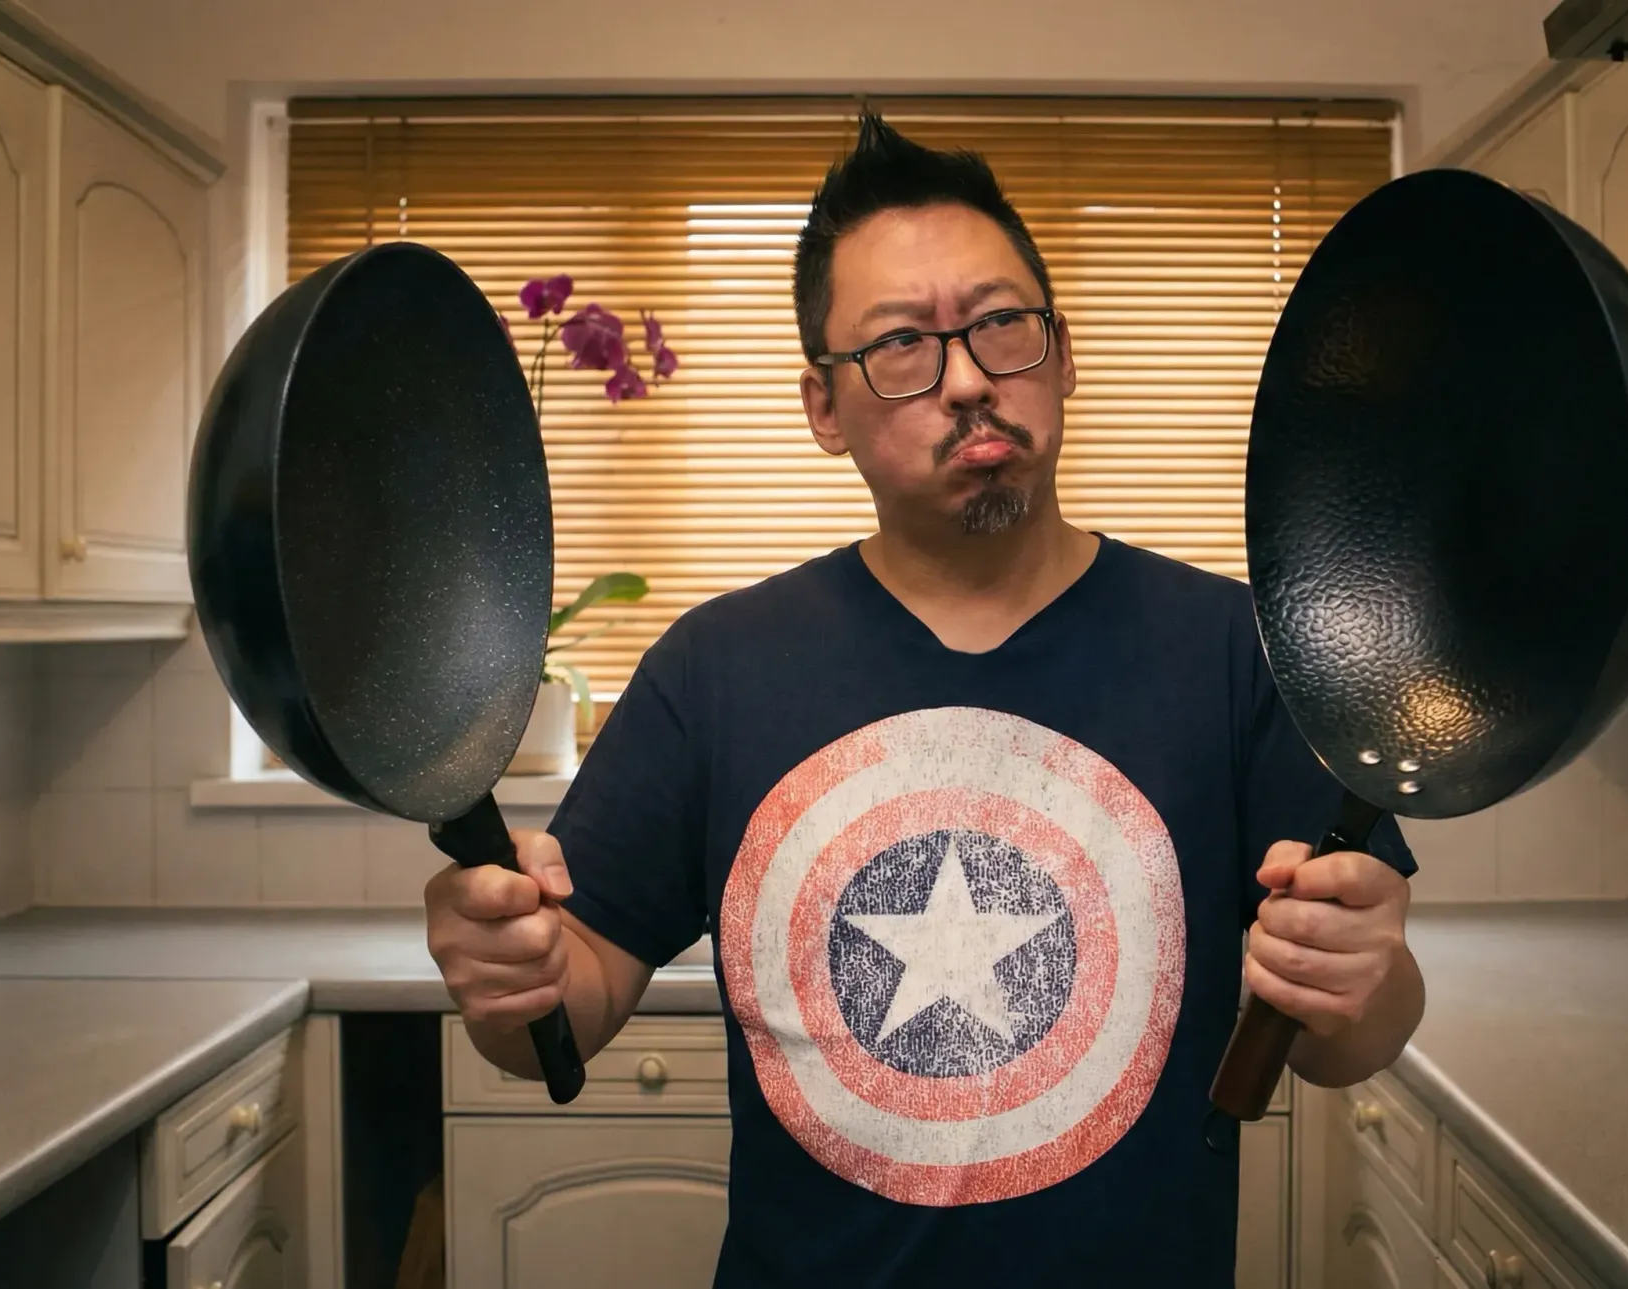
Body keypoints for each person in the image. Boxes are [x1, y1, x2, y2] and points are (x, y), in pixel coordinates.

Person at [425, 109, 1426, 1288]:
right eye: (901, 345)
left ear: (1062, 352)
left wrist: (1370, 978)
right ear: (822, 408)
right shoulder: (716, 667)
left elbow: (1347, 1035)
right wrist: (510, 975)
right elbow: (571, 995)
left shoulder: (1239, 649)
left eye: (1002, 324)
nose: (965, 380)